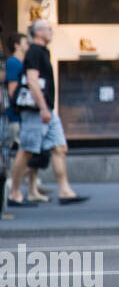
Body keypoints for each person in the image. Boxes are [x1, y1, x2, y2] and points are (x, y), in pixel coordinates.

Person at [7, 20, 86, 206]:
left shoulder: (42, 52)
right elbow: (32, 81)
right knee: (26, 150)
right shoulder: (34, 51)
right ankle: (14, 193)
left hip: (47, 110)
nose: (52, 32)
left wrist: (46, 108)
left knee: (59, 147)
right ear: (39, 32)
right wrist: (42, 108)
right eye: (49, 29)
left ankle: (65, 191)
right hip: (37, 111)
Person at [5, 33, 50, 203]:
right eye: (25, 42)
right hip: (20, 115)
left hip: (27, 113)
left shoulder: (23, 61)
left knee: (32, 150)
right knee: (25, 150)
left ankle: (32, 188)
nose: (28, 45)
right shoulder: (14, 63)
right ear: (17, 45)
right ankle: (13, 187)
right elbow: (13, 89)